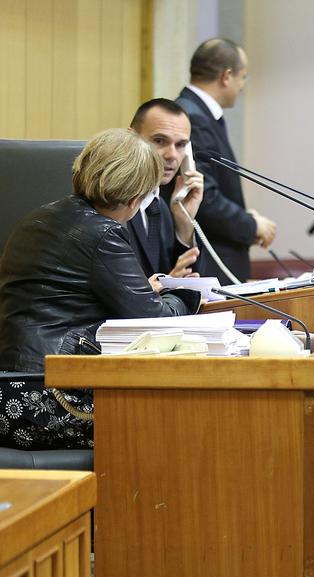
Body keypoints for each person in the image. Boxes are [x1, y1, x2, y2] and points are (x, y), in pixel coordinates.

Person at [0, 128, 202, 449]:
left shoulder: (37, 218)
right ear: (137, 197)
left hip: (11, 390)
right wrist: (188, 294)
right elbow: (152, 321)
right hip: (51, 398)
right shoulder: (104, 233)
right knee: (177, 418)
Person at [176, 37, 276, 283]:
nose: (243, 86)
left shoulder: (199, 112)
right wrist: (251, 225)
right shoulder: (195, 117)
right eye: (243, 77)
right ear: (226, 76)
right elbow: (204, 197)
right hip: (210, 260)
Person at [126, 98, 205, 280]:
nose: (172, 155)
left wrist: (185, 224)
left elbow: (190, 282)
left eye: (181, 145)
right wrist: (166, 285)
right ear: (131, 139)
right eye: (160, 141)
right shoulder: (111, 205)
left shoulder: (161, 206)